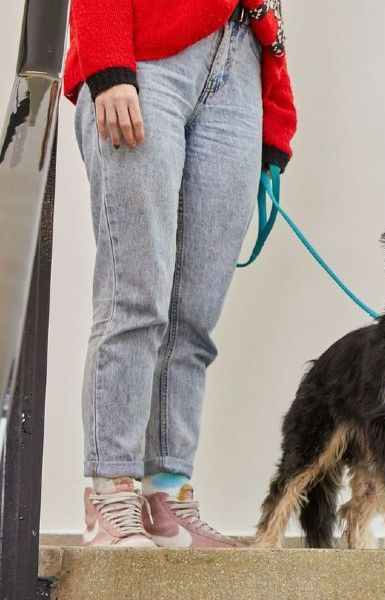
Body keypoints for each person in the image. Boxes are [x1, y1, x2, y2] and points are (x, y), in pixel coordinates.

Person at [64, 0, 297, 547]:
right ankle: (111, 489)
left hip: (239, 63)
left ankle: (166, 493)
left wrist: (276, 117)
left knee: (194, 314)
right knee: (135, 296)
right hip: (147, 54)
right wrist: (107, 60)